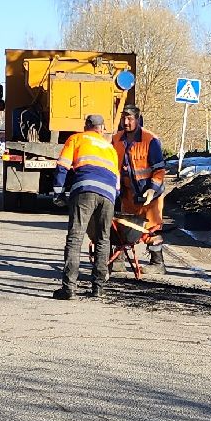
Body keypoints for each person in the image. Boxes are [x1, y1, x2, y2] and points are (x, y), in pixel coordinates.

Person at [53, 113, 121, 300]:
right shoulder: (110, 148)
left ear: (86, 126)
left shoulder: (76, 138)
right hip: (108, 195)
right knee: (102, 239)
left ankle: (69, 289)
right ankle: (98, 288)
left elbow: (62, 167)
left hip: (85, 189)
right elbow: (117, 183)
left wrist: (58, 193)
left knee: (75, 238)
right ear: (102, 128)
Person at [112, 106, 168, 264]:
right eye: (124, 118)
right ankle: (119, 260)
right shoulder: (116, 140)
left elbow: (159, 169)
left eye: (130, 119)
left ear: (137, 119)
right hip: (127, 194)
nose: (126, 122)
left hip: (149, 195)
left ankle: (157, 263)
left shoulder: (150, 140)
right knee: (124, 226)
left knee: (151, 228)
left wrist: (153, 189)